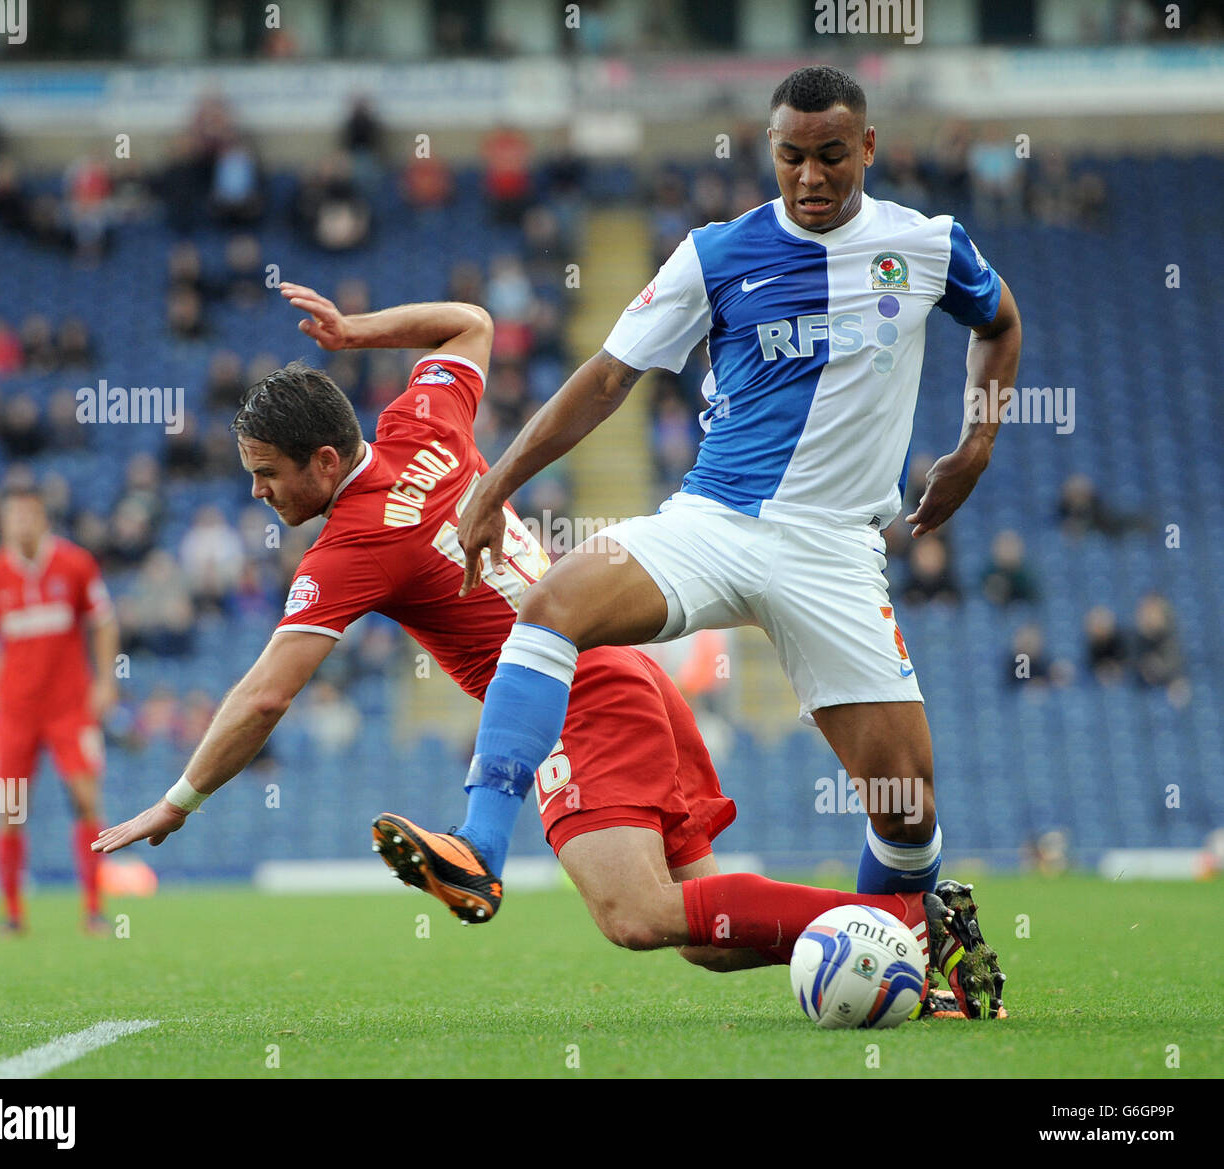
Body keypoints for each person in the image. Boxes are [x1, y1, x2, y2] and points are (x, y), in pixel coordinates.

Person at [91, 285, 1004, 1019]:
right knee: (700, 931)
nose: (256, 491)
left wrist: (178, 802)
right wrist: (353, 332)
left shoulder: (353, 546)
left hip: (576, 701)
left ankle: (903, 926)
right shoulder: (423, 425)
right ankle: (895, 943)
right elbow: (469, 322)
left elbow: (263, 697)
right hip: (619, 671)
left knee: (633, 915)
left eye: (266, 472)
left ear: (326, 462)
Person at [386, 65, 1023, 924]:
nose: (810, 177)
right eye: (791, 157)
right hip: (715, 520)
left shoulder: (929, 246)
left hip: (834, 548)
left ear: (867, 146)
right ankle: (479, 845)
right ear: (771, 151)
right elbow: (609, 377)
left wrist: (976, 442)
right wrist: (497, 480)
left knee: (905, 807)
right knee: (550, 604)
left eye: (831, 155)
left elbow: (1000, 321)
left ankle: (913, 947)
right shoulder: (716, 253)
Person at [0, 486, 119, 934]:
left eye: (29, 515)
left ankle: (94, 909)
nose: (21, 523)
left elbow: (103, 624)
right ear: (3, 521)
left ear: (43, 519)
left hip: (70, 707)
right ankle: (12, 914)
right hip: (13, 710)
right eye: (13, 515)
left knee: (86, 800)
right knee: (10, 809)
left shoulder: (75, 564)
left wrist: (105, 681)